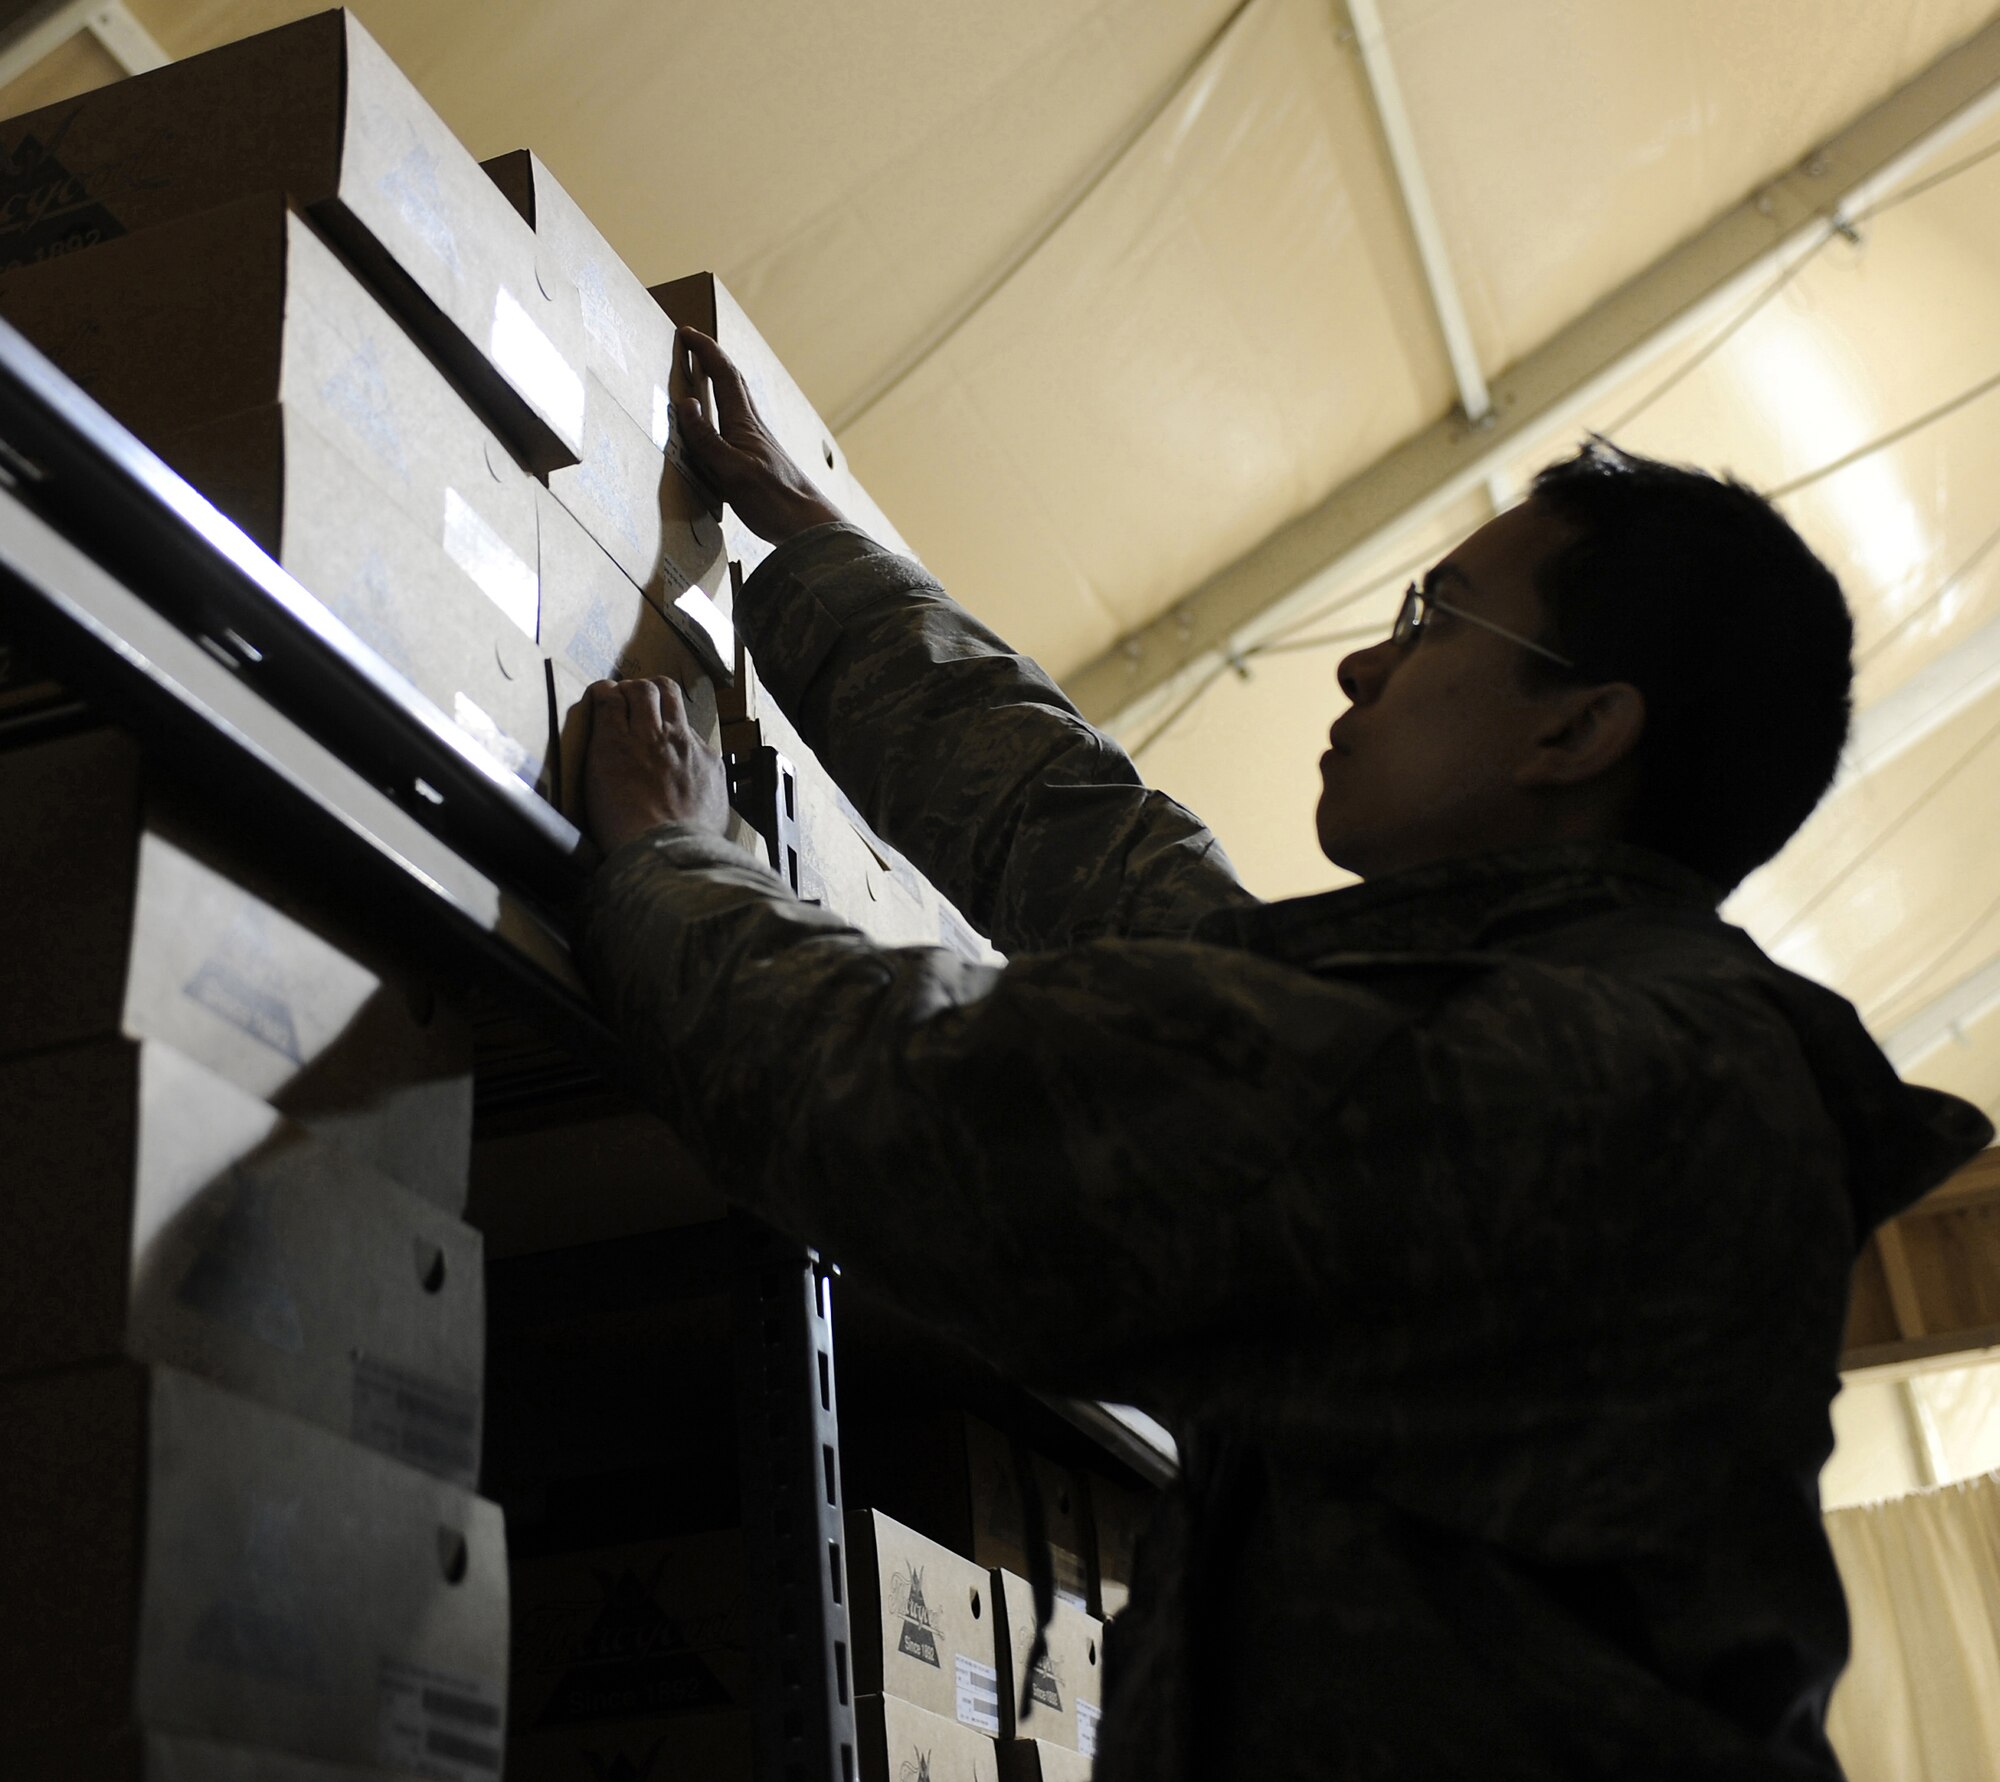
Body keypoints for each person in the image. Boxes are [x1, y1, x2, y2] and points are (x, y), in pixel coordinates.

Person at [575, 326, 1991, 1781]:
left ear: (1576, 728)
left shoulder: (1566, 1071)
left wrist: (672, 868)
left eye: (1437, 621)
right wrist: (812, 548)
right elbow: (1108, 867)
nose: (1365, 663)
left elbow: (930, 1119)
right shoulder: (1584, 1015)